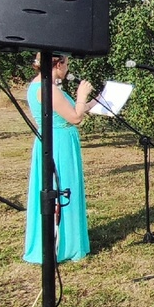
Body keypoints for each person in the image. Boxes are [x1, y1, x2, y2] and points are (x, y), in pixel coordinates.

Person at [23, 53, 92, 264]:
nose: (67, 68)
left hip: (61, 139)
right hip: (57, 144)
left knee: (64, 187)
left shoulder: (47, 85)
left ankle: (70, 239)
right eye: (67, 64)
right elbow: (75, 117)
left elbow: (71, 111)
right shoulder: (47, 88)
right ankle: (64, 244)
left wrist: (97, 102)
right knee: (62, 188)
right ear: (58, 64)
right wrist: (82, 94)